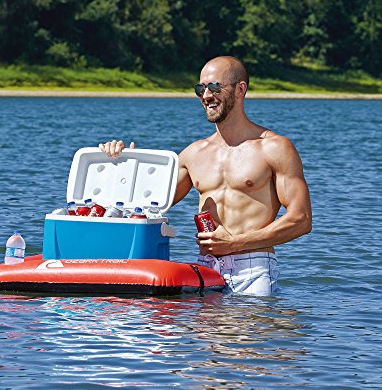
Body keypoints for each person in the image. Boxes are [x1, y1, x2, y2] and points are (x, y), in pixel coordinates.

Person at [99, 56, 312, 296]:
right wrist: (120, 163)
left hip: (253, 268)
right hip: (206, 269)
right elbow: (144, 203)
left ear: (240, 89)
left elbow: (301, 219)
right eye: (200, 89)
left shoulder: (274, 148)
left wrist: (235, 244)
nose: (206, 95)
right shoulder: (194, 154)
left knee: (248, 321)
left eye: (214, 87)